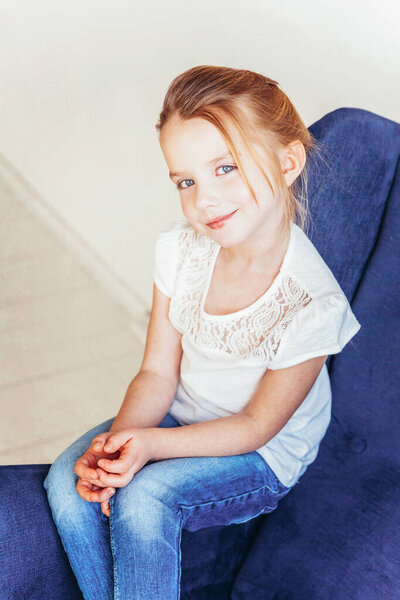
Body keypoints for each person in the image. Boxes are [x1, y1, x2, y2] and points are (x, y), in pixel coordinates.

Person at [43, 65, 361, 600]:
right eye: (186, 181)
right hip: (185, 412)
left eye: (226, 168)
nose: (204, 199)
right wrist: (121, 447)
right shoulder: (179, 250)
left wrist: (150, 447)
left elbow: (258, 426)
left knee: (145, 502)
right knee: (65, 484)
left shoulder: (312, 304)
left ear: (287, 163)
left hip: (260, 451)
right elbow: (157, 370)